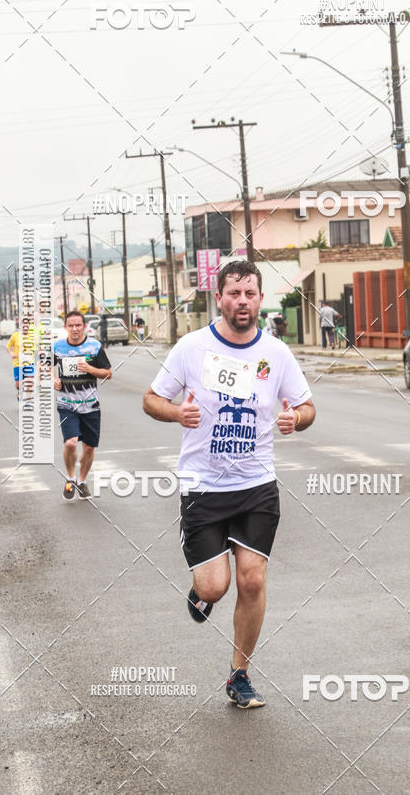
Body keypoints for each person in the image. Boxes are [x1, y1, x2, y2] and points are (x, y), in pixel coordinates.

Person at [143, 260, 315, 709]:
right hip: (203, 486)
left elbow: (307, 406)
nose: (242, 301)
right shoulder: (192, 347)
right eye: (234, 293)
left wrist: (295, 418)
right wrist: (177, 413)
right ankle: (202, 592)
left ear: (260, 299)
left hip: (257, 485)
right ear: (218, 297)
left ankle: (240, 674)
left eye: (250, 293)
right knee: (215, 587)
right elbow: (151, 399)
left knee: (252, 581)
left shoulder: (276, 353)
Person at [54, 310, 112, 501]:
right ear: (65, 327)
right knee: (70, 443)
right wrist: (52, 379)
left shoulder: (94, 347)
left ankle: (82, 481)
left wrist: (90, 369)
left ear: (84, 326)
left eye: (78, 325)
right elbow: (43, 367)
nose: (75, 329)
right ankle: (71, 478)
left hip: (90, 405)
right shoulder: (57, 347)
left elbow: (108, 373)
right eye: (70, 325)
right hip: (67, 404)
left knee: (88, 448)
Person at [7, 319, 38, 400]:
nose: (25, 326)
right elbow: (8, 347)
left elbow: (38, 348)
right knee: (18, 385)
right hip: (18, 364)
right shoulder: (15, 336)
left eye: (27, 324)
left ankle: (27, 401)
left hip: (29, 363)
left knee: (29, 383)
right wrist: (11, 353)